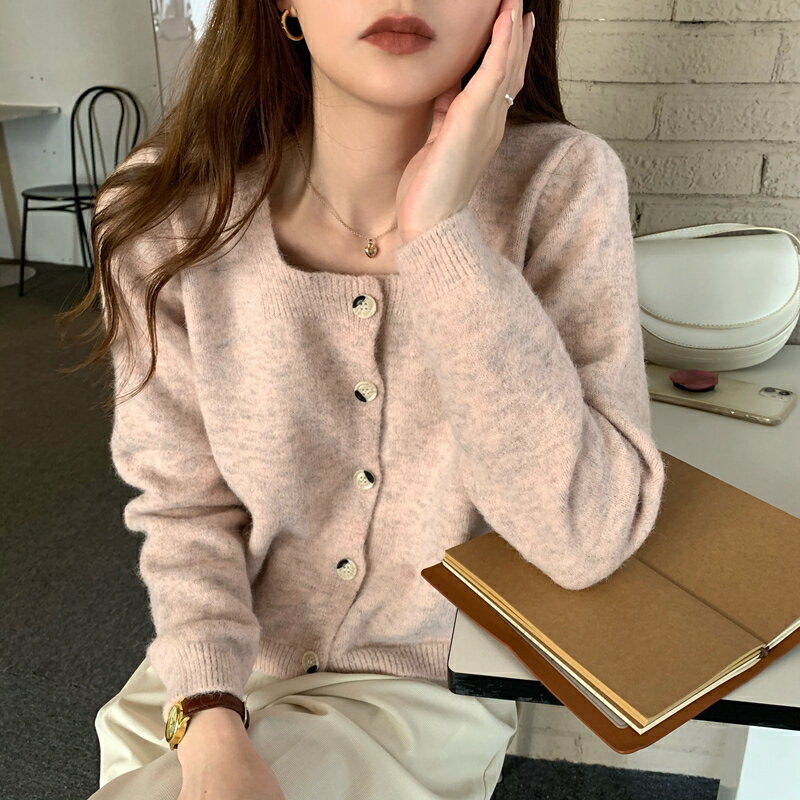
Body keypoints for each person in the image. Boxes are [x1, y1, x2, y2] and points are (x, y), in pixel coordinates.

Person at [60, 0, 666, 798]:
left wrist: (440, 235)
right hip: (207, 675)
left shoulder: (560, 186)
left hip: (419, 694)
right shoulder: (170, 212)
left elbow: (585, 536)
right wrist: (210, 720)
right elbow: (185, 510)